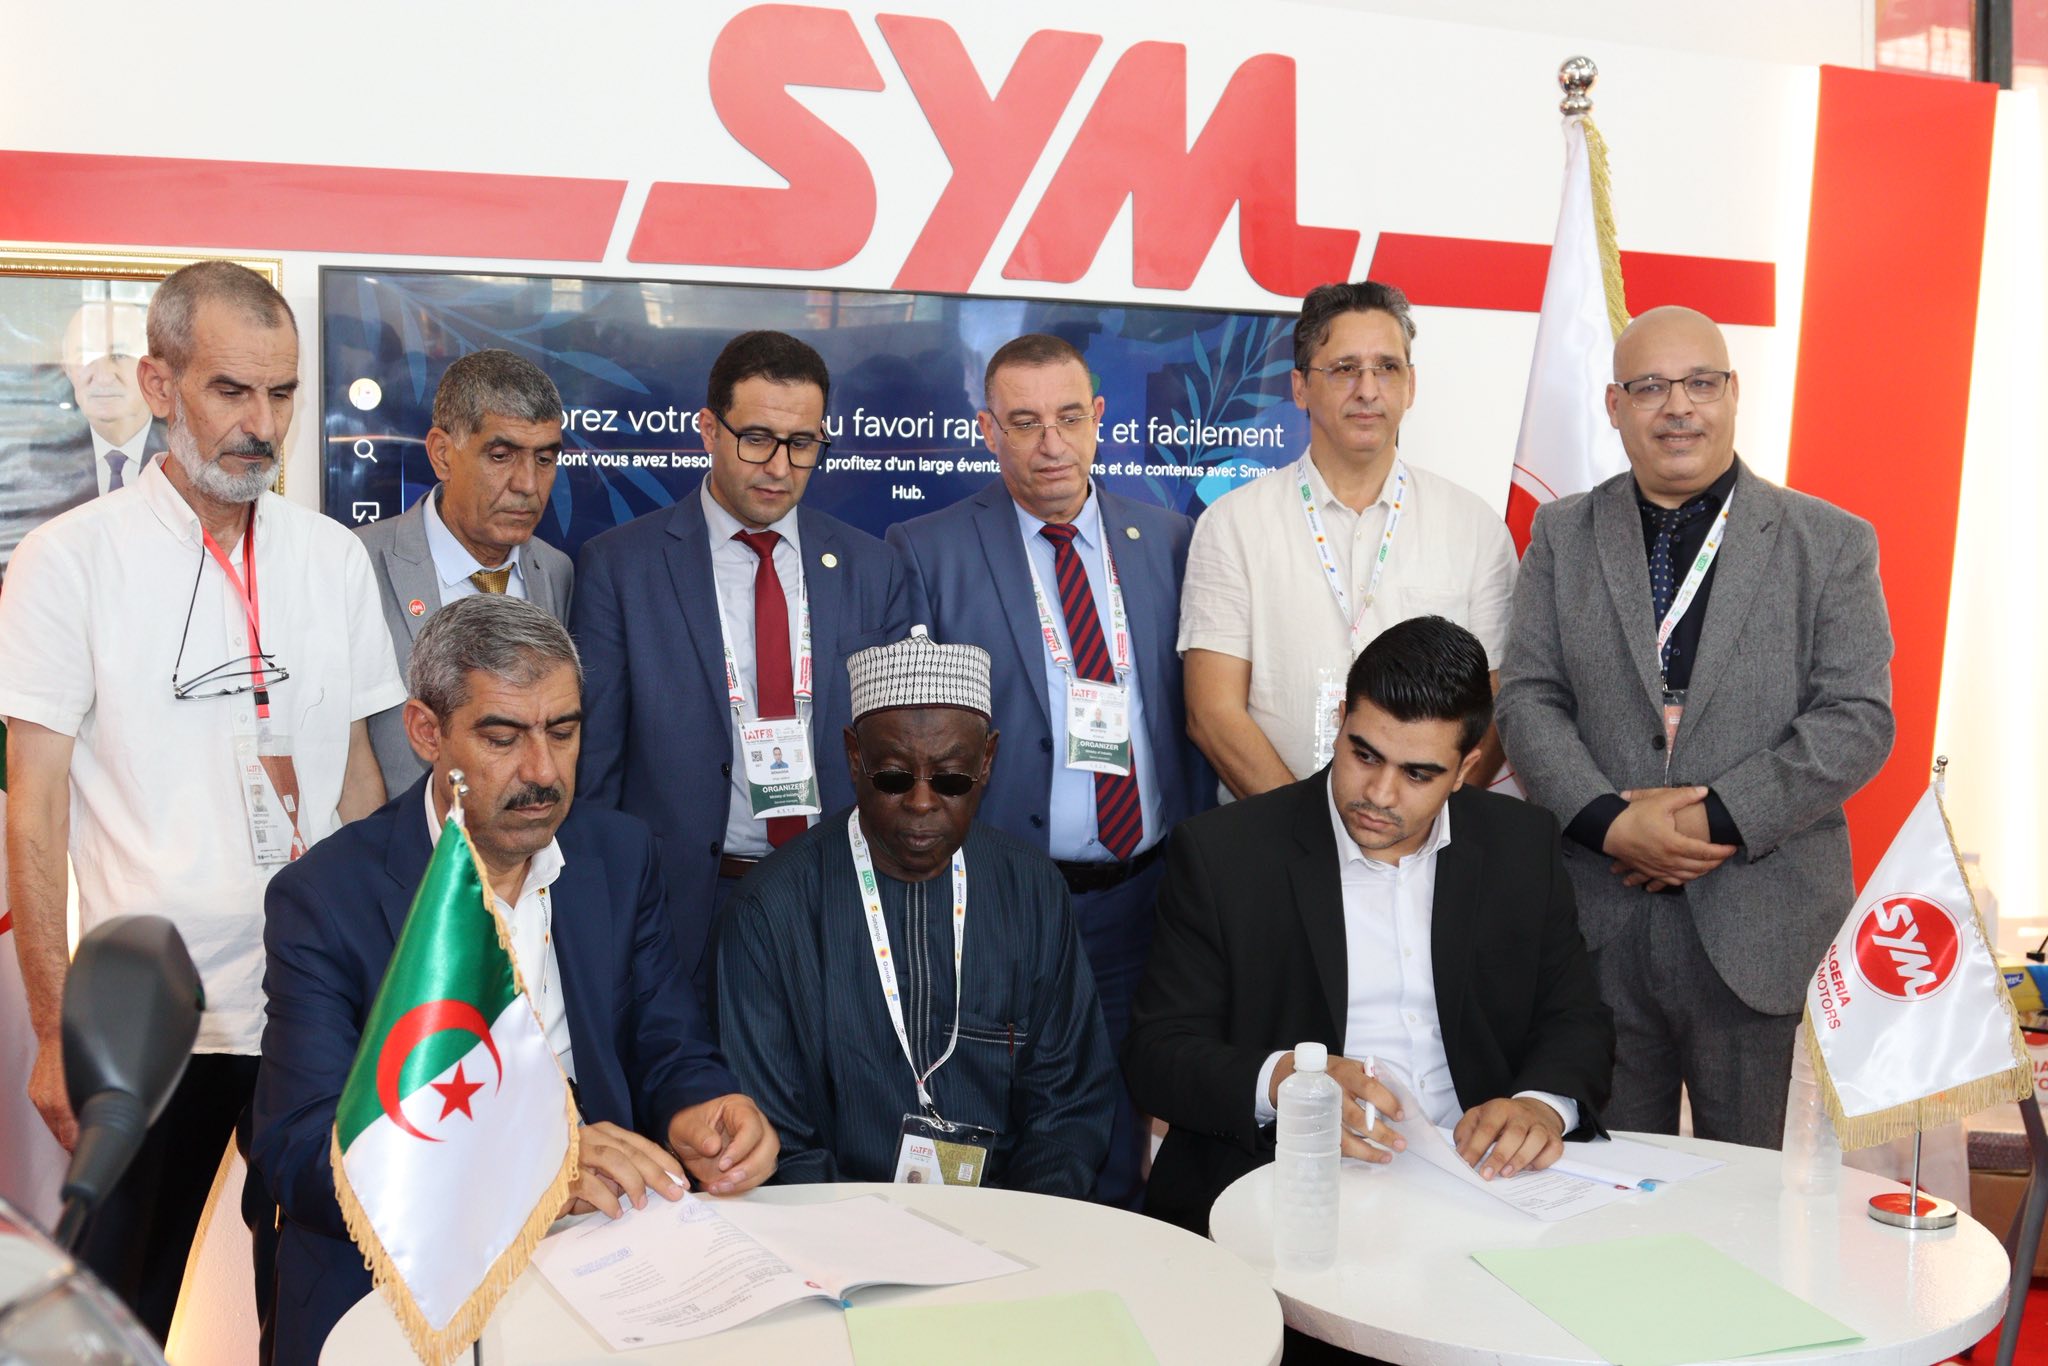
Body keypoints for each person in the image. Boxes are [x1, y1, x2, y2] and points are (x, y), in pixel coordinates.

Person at [0, 260, 402, 1340]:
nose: (261, 424)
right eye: (231, 389)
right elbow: (32, 810)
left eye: (282, 392)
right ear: (159, 382)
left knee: (322, 1312)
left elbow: (357, 782)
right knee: (118, 1313)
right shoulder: (66, 561)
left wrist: (387, 986)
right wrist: (54, 1030)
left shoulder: (330, 558)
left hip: (314, 1009)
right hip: (149, 1021)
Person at [251, 595, 778, 1363]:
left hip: (603, 1260)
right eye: (502, 737)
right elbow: (300, 1153)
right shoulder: (328, 898)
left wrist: (704, 1108)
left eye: (562, 732)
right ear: (426, 732)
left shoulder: (617, 854)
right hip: (398, 1286)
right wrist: (531, 1171)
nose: (542, 772)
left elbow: (668, 1046)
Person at [1496, 305, 1894, 1148]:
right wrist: (1609, 824)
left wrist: (1708, 820)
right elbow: (1528, 698)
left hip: (1765, 922)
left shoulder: (1830, 542)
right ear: (1614, 406)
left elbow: (1857, 719)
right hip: (1599, 920)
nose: (1678, 407)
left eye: (1700, 383)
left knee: (1760, 1193)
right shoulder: (1562, 535)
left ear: (1733, 393)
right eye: (1650, 388)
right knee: (1603, 1186)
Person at [1126, 615, 1613, 1238]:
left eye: (1418, 774)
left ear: (1466, 768)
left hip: (1477, 1185)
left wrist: (1539, 1107)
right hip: (1283, 1185)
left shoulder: (1520, 843)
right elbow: (1157, 1054)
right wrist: (1284, 1082)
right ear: (1341, 722)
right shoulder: (1225, 853)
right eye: (1364, 755)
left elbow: (1575, 1016)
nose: (1380, 794)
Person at [886, 333, 1209, 1208]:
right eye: (1024, 423)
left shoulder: (1171, 540)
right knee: (993, 1115)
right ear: (988, 431)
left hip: (1143, 899)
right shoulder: (927, 549)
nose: (1051, 444)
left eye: (1069, 418)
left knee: (1122, 1115)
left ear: (1100, 419)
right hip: (996, 902)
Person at [575, 331, 910, 1005]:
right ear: (709, 430)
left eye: (802, 443)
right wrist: (602, 920)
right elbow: (596, 769)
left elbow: (898, 750)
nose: (779, 466)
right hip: (679, 908)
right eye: (756, 438)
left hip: (836, 902)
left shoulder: (872, 567)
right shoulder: (621, 566)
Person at [718, 628, 1117, 1194]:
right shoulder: (771, 910)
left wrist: (1020, 1226)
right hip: (836, 1225)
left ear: (987, 761)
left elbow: (1069, 1105)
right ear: (854, 758)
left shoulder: (1031, 889)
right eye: (893, 777)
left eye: (951, 778)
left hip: (1010, 1221)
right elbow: (776, 1138)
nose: (922, 802)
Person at [1179, 281, 1516, 798]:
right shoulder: (1232, 525)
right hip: (1272, 830)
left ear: (1410, 385)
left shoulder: (1475, 528)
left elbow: (1496, 704)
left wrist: (1416, 822)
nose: (1368, 389)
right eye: (1344, 368)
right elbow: (1212, 713)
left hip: (1426, 838)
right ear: (1299, 387)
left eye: (1387, 367)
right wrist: (1302, 831)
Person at [358, 349, 574, 793]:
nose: (527, 485)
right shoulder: (358, 563)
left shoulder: (557, 572)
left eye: (544, 459)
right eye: (501, 455)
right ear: (442, 454)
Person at [0, 300, 168, 579]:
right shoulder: (29, 467)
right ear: (67, 369)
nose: (102, 377)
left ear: (153, 373)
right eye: (85, 357)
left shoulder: (186, 459)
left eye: (120, 355)